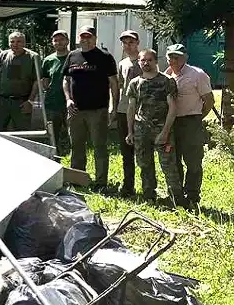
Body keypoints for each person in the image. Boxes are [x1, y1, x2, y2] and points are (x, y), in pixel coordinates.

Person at [63, 25, 119, 189]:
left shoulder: (105, 57)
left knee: (99, 147)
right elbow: (66, 80)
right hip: (76, 110)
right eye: (83, 36)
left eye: (89, 37)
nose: (85, 39)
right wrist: (68, 99)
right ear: (79, 38)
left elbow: (114, 83)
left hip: (98, 110)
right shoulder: (72, 56)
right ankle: (78, 180)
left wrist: (113, 107)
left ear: (95, 38)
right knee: (77, 146)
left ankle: (101, 183)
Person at [126, 49, 184, 205]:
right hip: (140, 131)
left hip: (162, 130)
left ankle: (177, 200)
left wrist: (165, 132)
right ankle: (149, 197)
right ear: (138, 62)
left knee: (169, 167)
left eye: (149, 60)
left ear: (155, 61)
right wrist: (130, 131)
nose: (146, 63)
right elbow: (131, 108)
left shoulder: (167, 81)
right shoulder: (135, 83)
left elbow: (173, 108)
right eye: (143, 60)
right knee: (145, 166)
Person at [165, 43, 214, 209]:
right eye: (171, 56)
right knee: (173, 160)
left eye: (177, 57)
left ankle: (192, 196)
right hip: (171, 123)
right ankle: (177, 196)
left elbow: (209, 101)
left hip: (191, 121)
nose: (173, 60)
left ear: (185, 58)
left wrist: (197, 118)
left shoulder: (197, 75)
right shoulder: (167, 75)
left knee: (193, 161)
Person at [0, 31, 39, 132]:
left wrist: (30, 101)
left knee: (23, 134)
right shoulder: (3, 55)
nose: (15, 44)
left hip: (22, 102)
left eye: (19, 41)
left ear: (24, 43)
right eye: (12, 42)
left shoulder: (33, 57)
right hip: (2, 102)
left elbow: (37, 81)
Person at [116, 30, 143, 196]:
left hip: (141, 112)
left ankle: (148, 187)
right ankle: (128, 186)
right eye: (125, 43)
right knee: (126, 151)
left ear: (137, 43)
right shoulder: (122, 63)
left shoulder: (145, 61)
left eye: (131, 42)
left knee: (143, 151)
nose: (128, 45)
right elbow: (120, 87)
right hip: (123, 110)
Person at [41, 30, 71, 155]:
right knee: (53, 133)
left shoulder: (74, 57)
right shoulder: (48, 60)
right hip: (53, 102)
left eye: (61, 39)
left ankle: (72, 156)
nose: (58, 42)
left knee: (72, 132)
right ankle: (55, 156)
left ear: (67, 41)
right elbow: (45, 80)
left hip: (71, 103)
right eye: (55, 40)